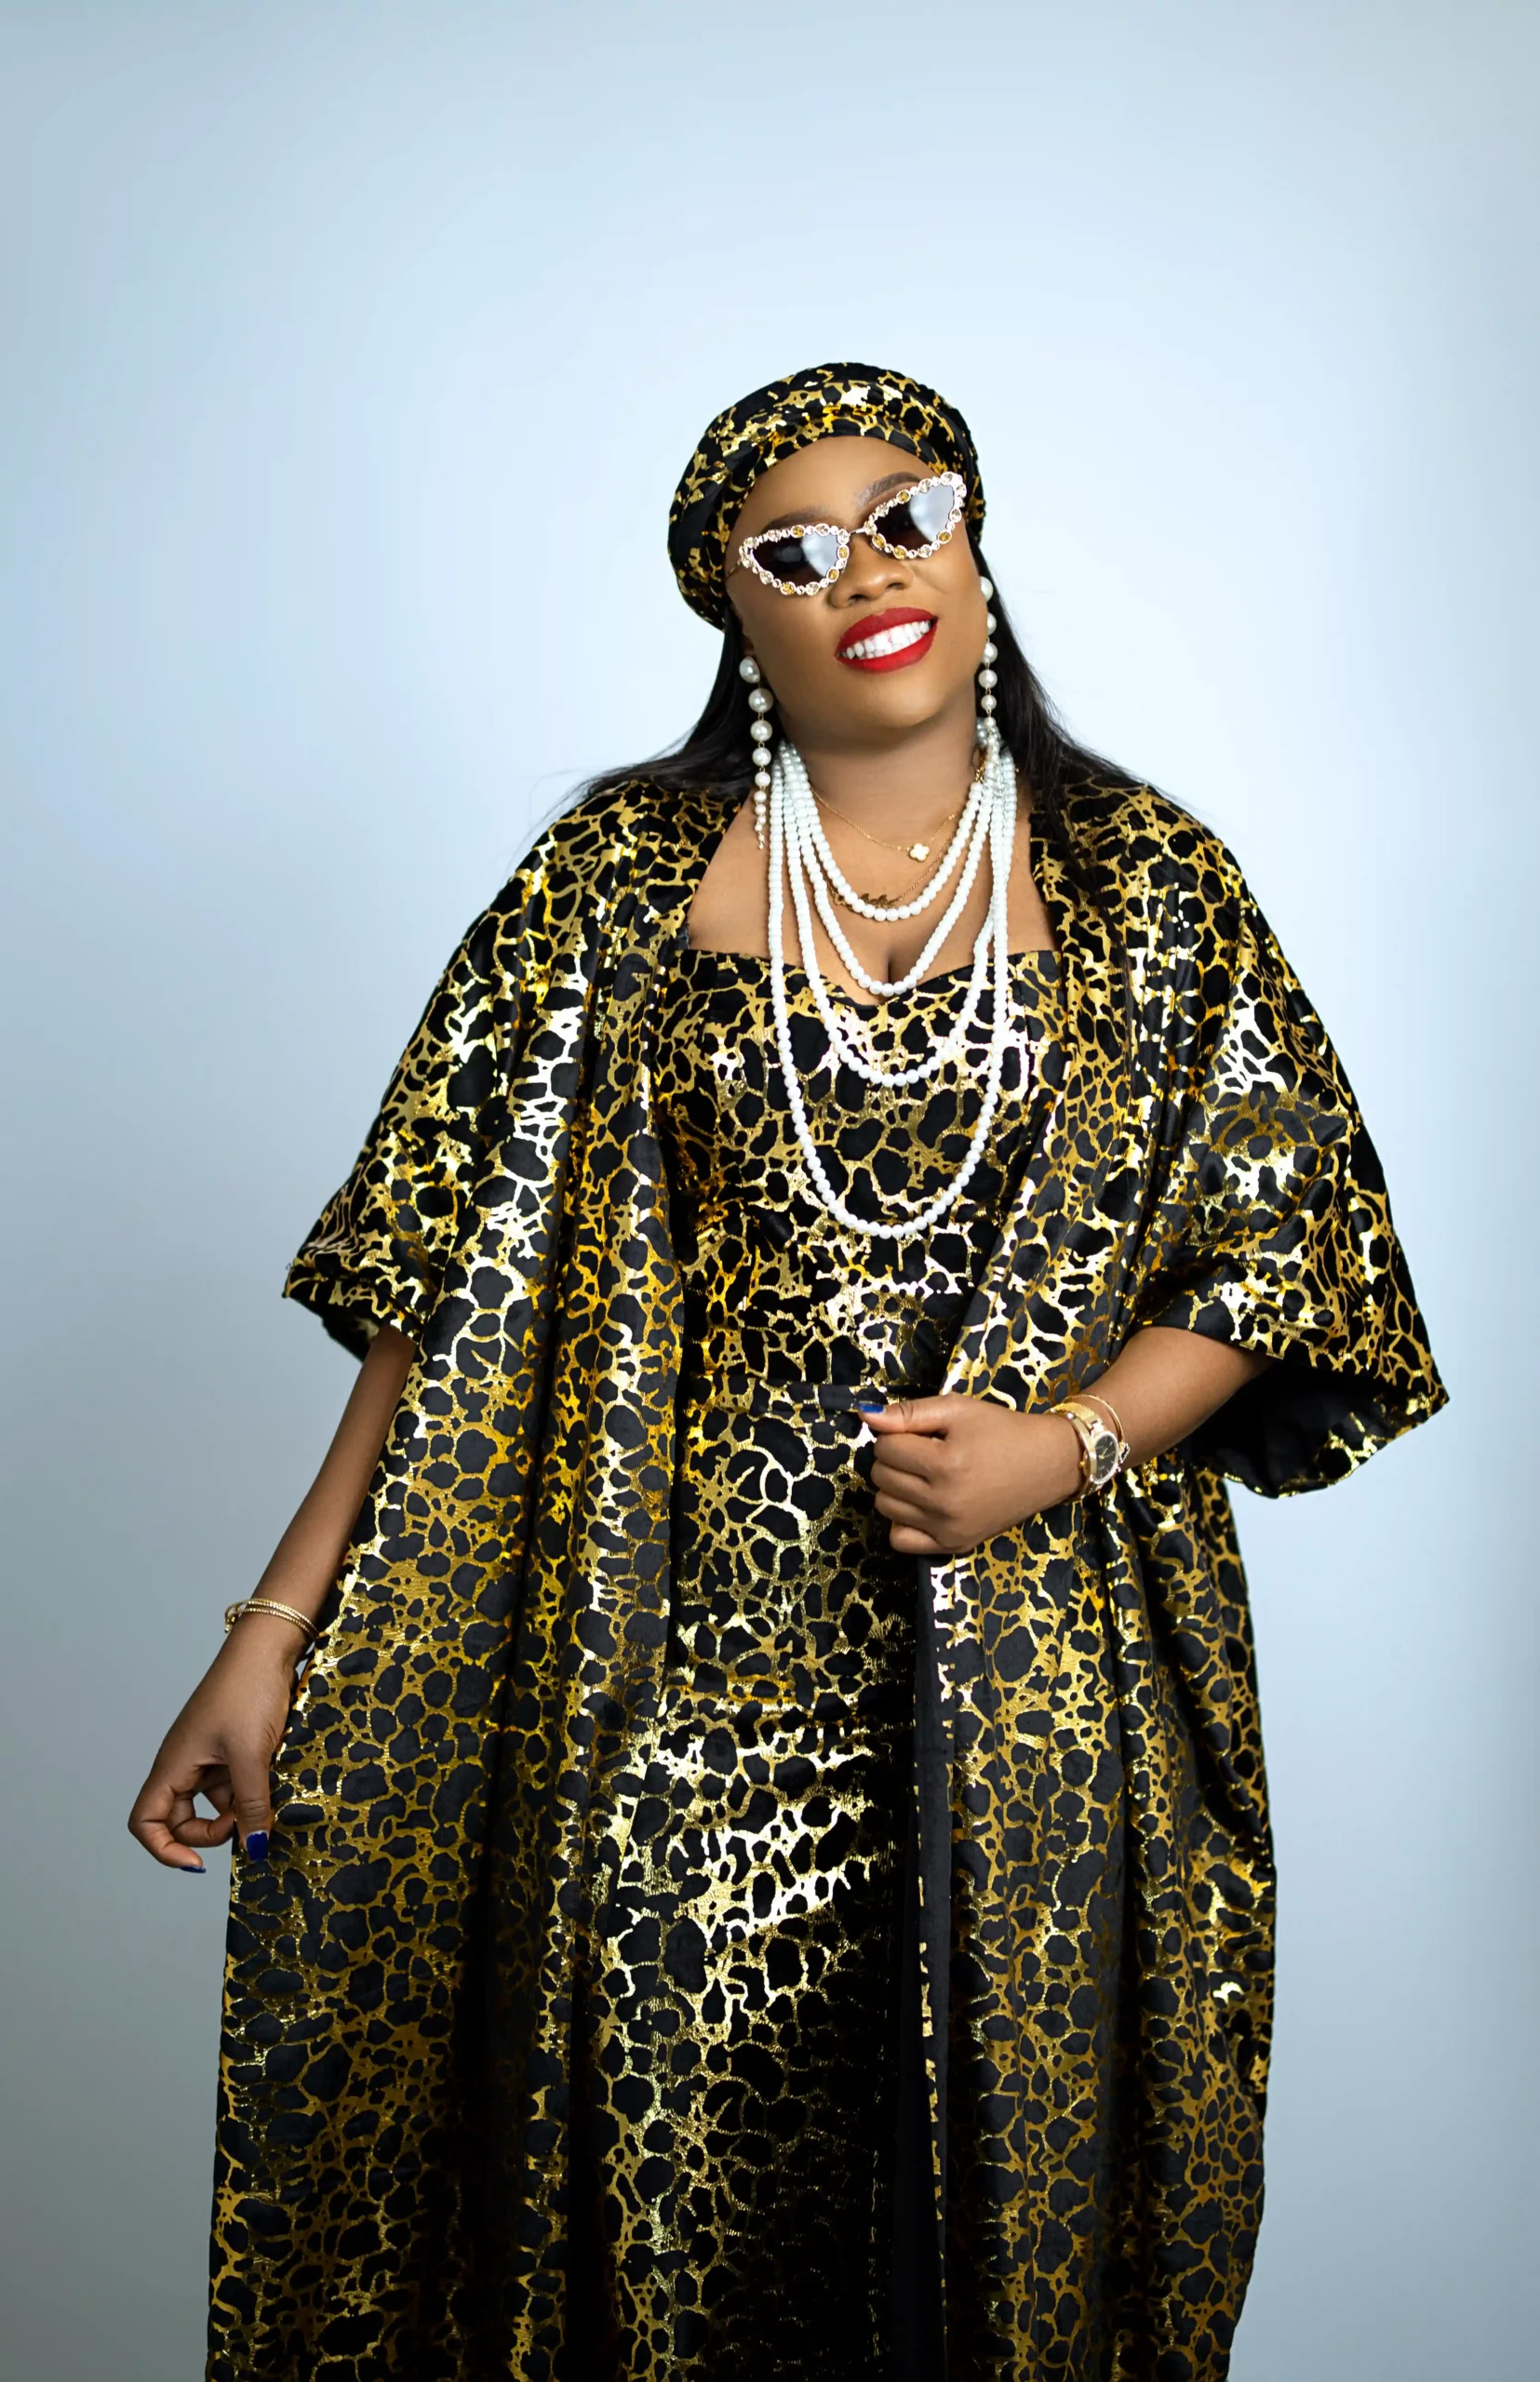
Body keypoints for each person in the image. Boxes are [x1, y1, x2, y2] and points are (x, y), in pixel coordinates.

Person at [129, 364, 1443, 2382]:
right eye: (796, 550)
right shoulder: (610, 884)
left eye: (910, 515)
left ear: (979, 550)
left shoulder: (1151, 884)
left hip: (1041, 1703)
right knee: (668, 2241)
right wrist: (273, 1631)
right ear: (731, 611)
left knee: (996, 2246)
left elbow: (1281, 1243)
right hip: (662, 1694)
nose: (869, 572)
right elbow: (442, 1291)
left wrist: (1063, 1446)